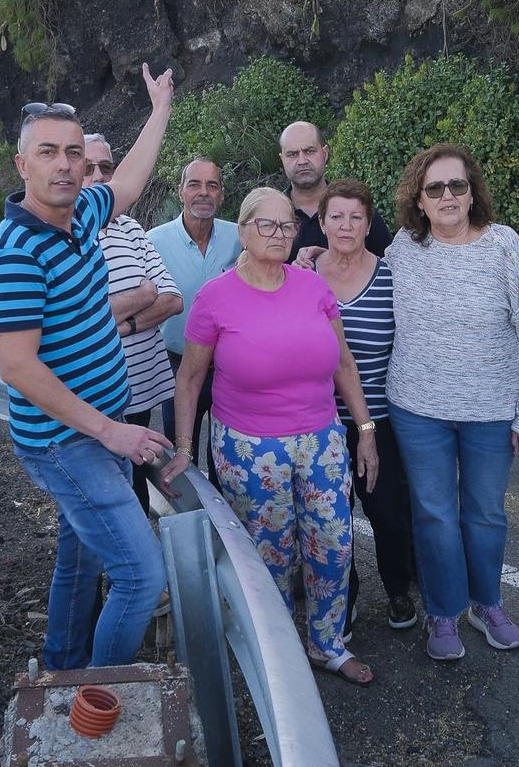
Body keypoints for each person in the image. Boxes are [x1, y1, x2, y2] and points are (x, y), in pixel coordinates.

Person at [0, 69, 186, 672]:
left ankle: (62, 668)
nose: (64, 165)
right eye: (49, 153)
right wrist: (111, 432)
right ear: (22, 166)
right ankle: (98, 691)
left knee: (82, 555)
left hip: (99, 427)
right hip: (68, 441)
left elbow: (129, 183)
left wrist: (159, 110)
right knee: (141, 576)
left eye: (73, 152)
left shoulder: (81, 215)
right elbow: (18, 368)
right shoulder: (15, 254)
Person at [173, 187, 380, 686]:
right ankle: (279, 652)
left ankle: (328, 644)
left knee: (333, 542)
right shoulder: (215, 296)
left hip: (322, 441)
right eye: (266, 224)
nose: (279, 234)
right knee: (270, 554)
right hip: (250, 448)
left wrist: (366, 430)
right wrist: (183, 448)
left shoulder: (313, 288)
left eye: (287, 225)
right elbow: (190, 378)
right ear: (242, 231)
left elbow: (344, 364)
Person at [384, 143, 519, 662]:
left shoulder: (504, 246)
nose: (447, 196)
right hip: (418, 408)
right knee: (434, 515)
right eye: (435, 188)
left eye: (457, 185)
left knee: (485, 515)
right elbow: (356, 276)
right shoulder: (403, 248)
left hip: (491, 412)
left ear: (472, 192)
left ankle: (487, 604)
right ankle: (444, 611)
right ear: (419, 199)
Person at [313, 179, 417, 635]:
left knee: (388, 511)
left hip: (379, 417)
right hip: (318, 420)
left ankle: (398, 588)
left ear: (369, 223)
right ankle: (346, 594)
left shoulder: (391, 276)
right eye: (336, 216)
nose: (346, 225)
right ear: (321, 223)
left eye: (356, 217)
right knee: (331, 517)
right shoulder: (303, 276)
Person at [84, 132, 183, 512]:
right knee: (102, 493)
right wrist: (142, 296)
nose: (98, 176)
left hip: (140, 388)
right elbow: (78, 318)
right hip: (94, 395)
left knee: (135, 483)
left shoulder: (130, 228)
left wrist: (123, 324)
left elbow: (172, 299)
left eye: (105, 167)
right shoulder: (66, 234)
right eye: (87, 167)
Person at [147, 157, 240, 487]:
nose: (204, 192)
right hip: (176, 364)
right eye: (195, 184)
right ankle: (190, 515)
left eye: (212, 185)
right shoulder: (153, 242)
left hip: (228, 366)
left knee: (227, 458)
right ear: (181, 191)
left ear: (222, 194)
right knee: (180, 455)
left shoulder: (239, 237)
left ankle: (224, 516)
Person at [280, 120, 391, 262]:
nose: (302, 161)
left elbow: (389, 265)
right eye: (292, 154)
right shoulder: (273, 216)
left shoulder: (358, 210)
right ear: (282, 159)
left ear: (325, 153)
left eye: (309, 151)